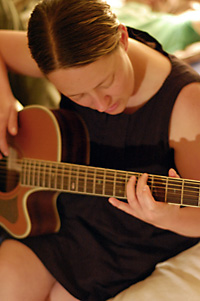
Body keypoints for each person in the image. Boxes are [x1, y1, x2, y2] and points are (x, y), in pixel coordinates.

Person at [0, 0, 200, 300]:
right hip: (60, 208)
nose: (102, 104)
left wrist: (166, 217)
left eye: (106, 82)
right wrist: (2, 98)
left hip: (131, 237)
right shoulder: (61, 52)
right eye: (77, 95)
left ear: (122, 39)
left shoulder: (188, 103)